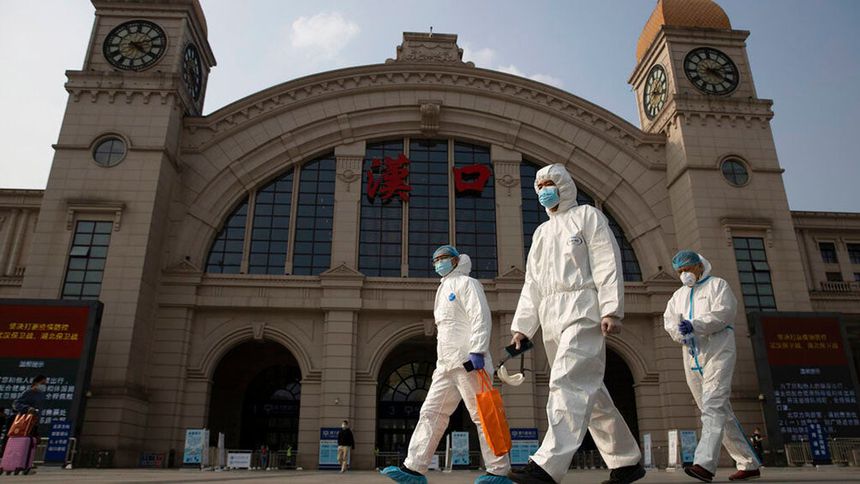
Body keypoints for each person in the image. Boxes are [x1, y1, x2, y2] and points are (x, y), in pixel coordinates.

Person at [507, 164, 645, 484]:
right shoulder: (541, 233)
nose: (544, 190)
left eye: (549, 183)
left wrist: (611, 309)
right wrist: (523, 327)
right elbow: (533, 283)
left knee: (567, 382)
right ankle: (626, 460)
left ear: (565, 185)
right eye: (540, 185)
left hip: (583, 307)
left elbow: (607, 262)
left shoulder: (588, 216)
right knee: (590, 391)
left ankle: (548, 465)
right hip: (550, 315)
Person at [382, 246, 511, 484]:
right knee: (431, 412)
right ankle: (414, 468)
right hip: (445, 365)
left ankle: (499, 471)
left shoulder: (468, 283)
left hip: (469, 361)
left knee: (483, 414)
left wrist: (478, 350)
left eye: (443, 258)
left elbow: (480, 316)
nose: (439, 263)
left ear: (456, 260)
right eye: (436, 260)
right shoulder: (442, 289)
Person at [663, 250, 762, 482]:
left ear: (699, 266)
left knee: (713, 406)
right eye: (680, 271)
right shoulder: (677, 296)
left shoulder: (718, 285)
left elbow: (724, 313)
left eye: (687, 269)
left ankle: (704, 464)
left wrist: (695, 325)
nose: (684, 274)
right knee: (717, 411)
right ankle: (748, 463)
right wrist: (680, 333)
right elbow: (669, 323)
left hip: (718, 352)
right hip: (692, 355)